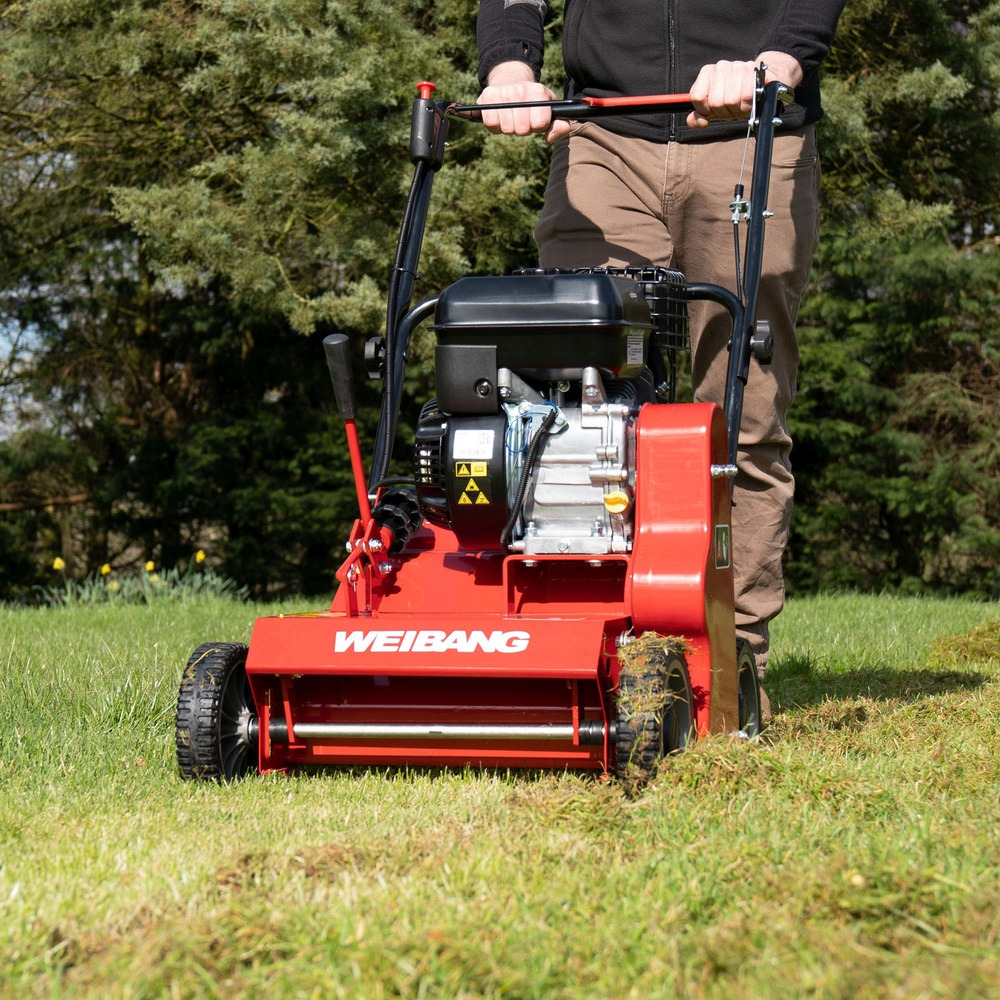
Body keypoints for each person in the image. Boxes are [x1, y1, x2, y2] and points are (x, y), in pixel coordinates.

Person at [477, 0, 845, 718]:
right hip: (605, 136)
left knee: (739, 412)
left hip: (752, 126)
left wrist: (780, 58)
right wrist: (512, 63)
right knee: (573, 405)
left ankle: (728, 672)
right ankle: (575, 650)